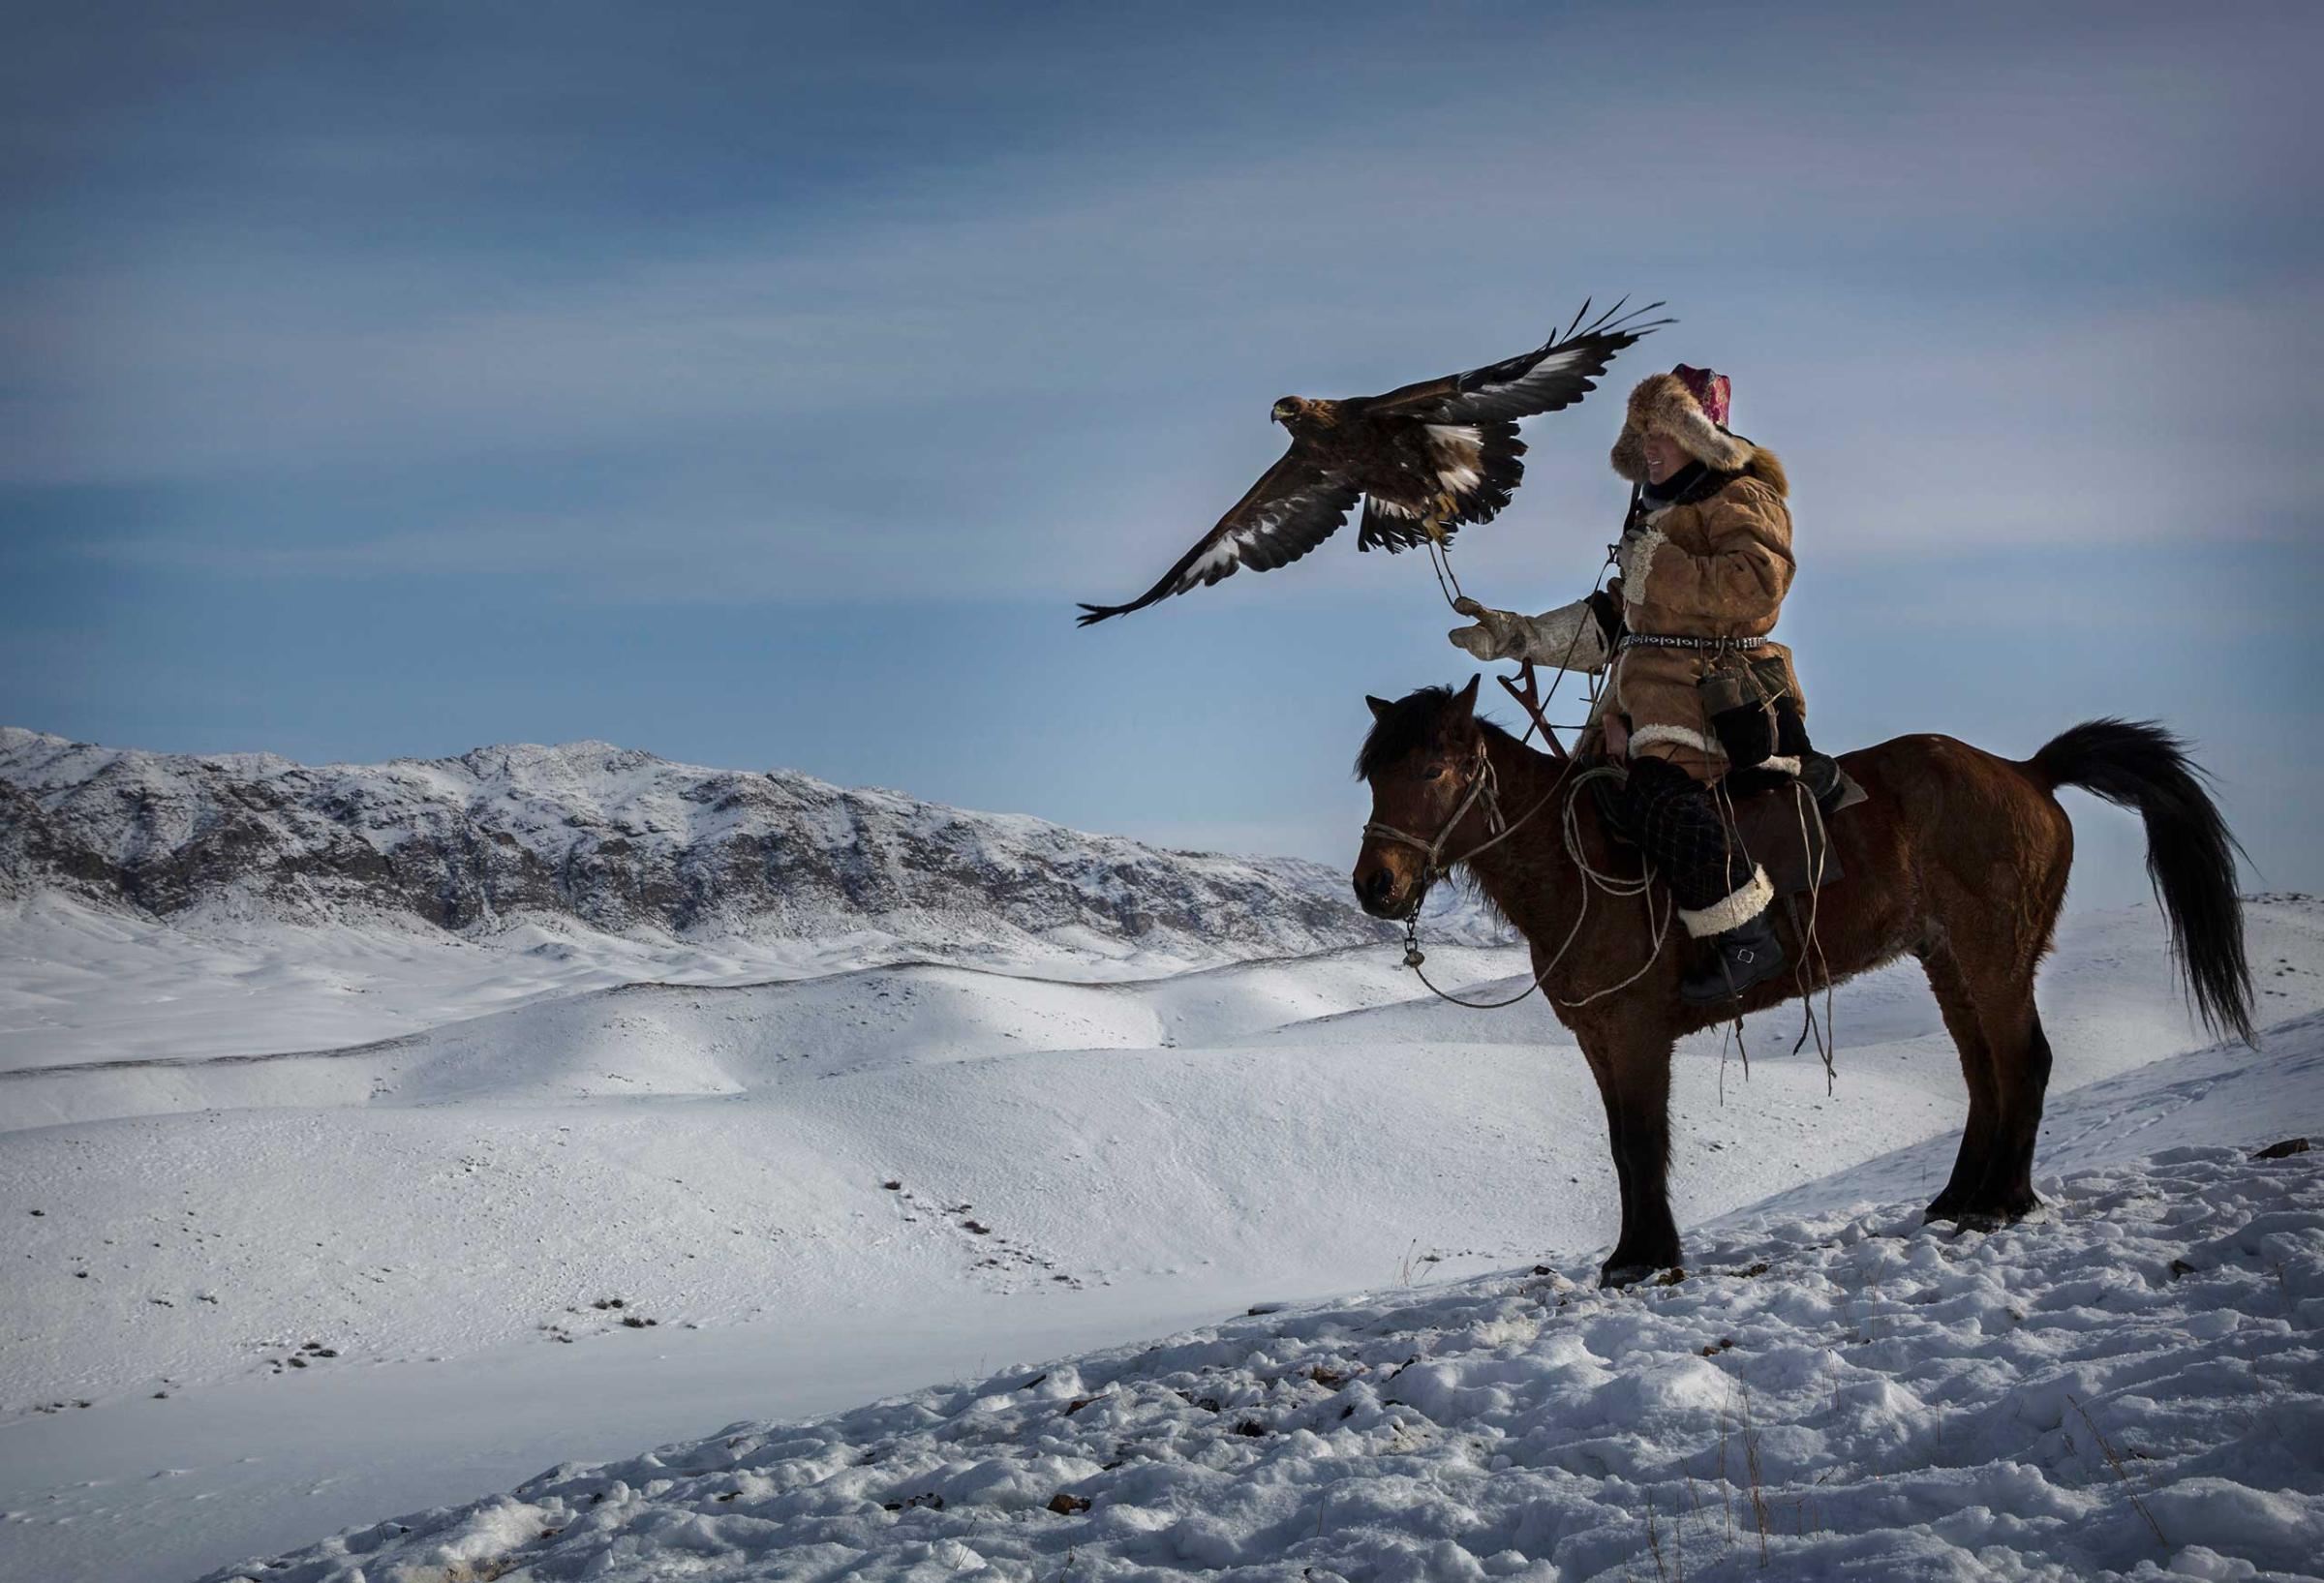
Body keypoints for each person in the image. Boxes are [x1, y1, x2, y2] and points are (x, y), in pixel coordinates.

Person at [1449, 364, 1838, 1004]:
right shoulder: (1661, 512)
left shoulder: (1743, 498)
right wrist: (1514, 635)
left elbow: (1758, 586)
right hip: (1654, 692)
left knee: (1655, 796)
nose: (1651, 448)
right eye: (1643, 434)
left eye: (1663, 433)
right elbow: (1617, 622)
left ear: (1700, 435)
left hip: (1719, 694)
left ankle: (1748, 934)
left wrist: (1658, 565)